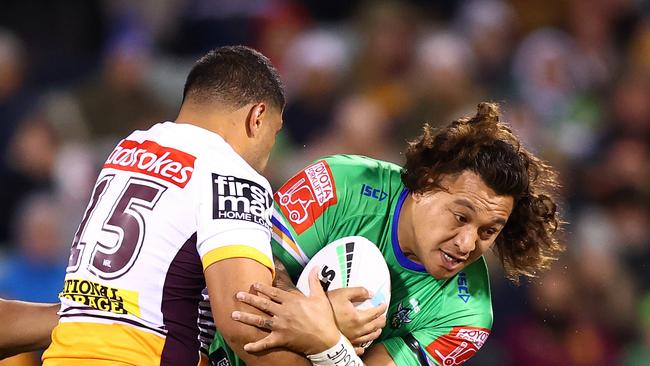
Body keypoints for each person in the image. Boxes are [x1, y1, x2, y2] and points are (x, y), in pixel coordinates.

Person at [214, 102, 564, 365]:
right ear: (426, 183)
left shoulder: (467, 314)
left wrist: (325, 339)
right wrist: (314, 311)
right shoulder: (340, 185)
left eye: (489, 231)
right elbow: (245, 290)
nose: (467, 243)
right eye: (460, 217)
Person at [39, 45, 314, 365]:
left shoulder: (127, 150)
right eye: (274, 133)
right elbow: (245, 326)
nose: (267, 157)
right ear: (257, 117)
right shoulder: (232, 173)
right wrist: (328, 349)